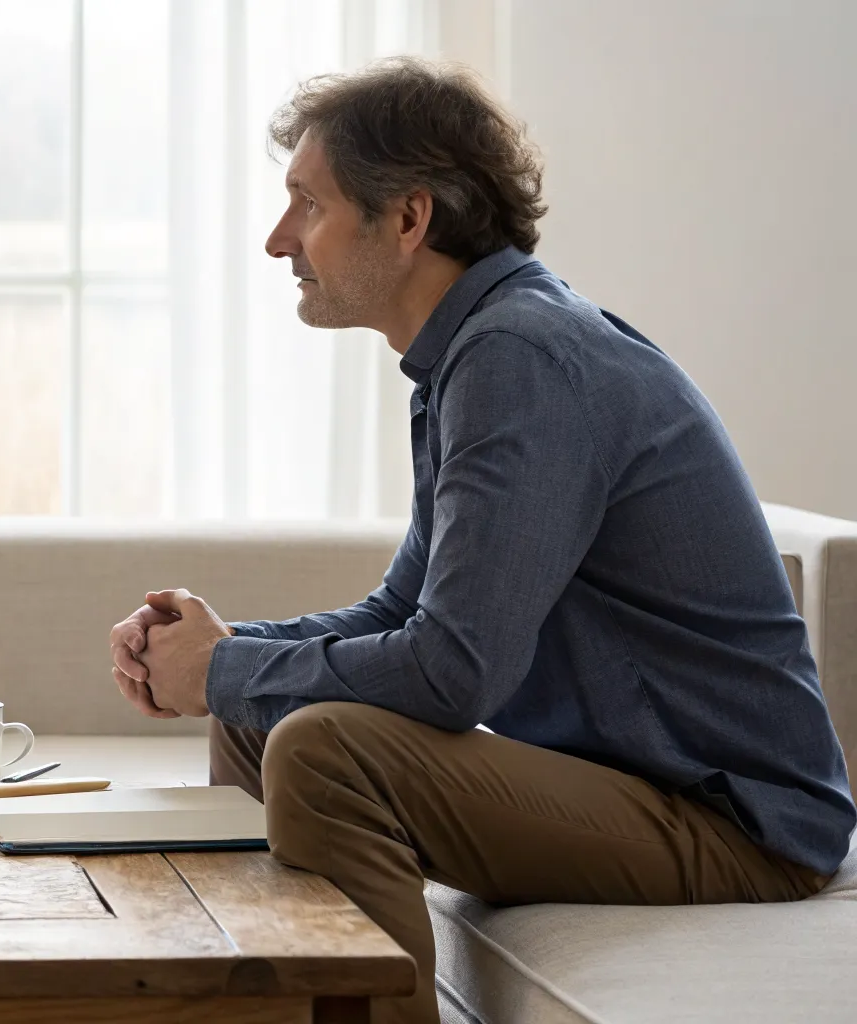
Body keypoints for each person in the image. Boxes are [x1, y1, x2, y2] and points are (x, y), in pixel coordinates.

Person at [107, 58, 852, 1024]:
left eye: (308, 203)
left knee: (326, 746)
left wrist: (222, 667)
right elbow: (401, 611)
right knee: (258, 706)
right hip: (637, 788)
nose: (278, 238)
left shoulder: (518, 359)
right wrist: (220, 651)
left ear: (408, 218)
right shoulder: (479, 350)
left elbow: (455, 671)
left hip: (742, 826)